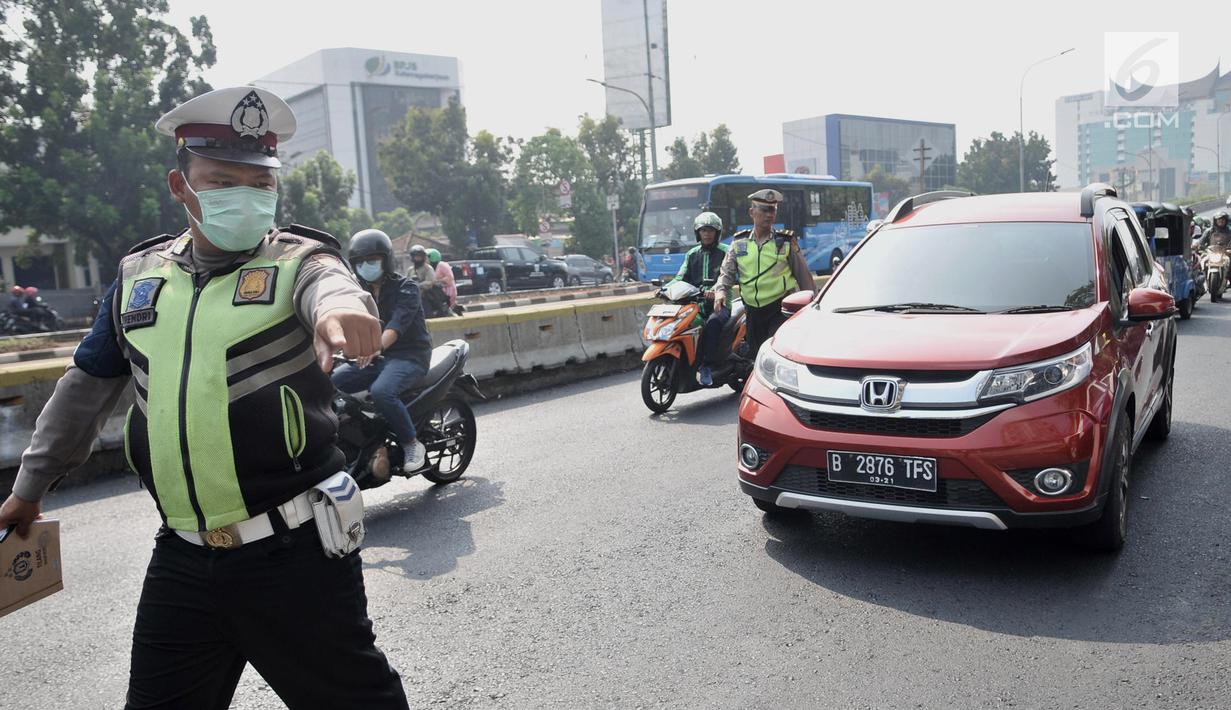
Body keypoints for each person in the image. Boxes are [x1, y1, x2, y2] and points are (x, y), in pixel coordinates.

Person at [0, 86, 410, 709]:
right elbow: (85, 389)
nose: (244, 195)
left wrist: (344, 311)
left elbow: (333, 288)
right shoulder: (139, 279)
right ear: (180, 185)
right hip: (183, 558)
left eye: (258, 182)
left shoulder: (299, 261)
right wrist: (28, 491)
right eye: (222, 179)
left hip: (295, 556)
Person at [332, 228, 433, 475]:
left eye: (372, 260)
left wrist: (373, 347)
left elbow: (396, 327)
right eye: (360, 262)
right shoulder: (359, 292)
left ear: (385, 260)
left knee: (382, 391)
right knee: (333, 382)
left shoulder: (407, 288)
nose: (366, 266)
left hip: (410, 356)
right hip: (377, 357)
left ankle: (411, 443)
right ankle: (368, 439)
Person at [712, 188, 816, 357]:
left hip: (780, 309)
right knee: (756, 355)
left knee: (776, 353)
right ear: (752, 212)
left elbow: (804, 278)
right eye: (764, 210)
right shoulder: (739, 242)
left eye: (773, 210)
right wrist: (720, 291)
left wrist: (812, 306)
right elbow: (727, 272)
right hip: (752, 311)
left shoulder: (785, 242)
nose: (769, 215)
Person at [670, 212, 729, 386]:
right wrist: (665, 289)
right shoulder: (691, 254)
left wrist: (716, 291)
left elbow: (730, 276)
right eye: (703, 230)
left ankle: (707, 366)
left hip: (720, 304)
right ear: (698, 233)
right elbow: (680, 277)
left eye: (710, 230)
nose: (707, 234)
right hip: (694, 304)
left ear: (717, 232)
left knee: (712, 323)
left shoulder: (726, 252)